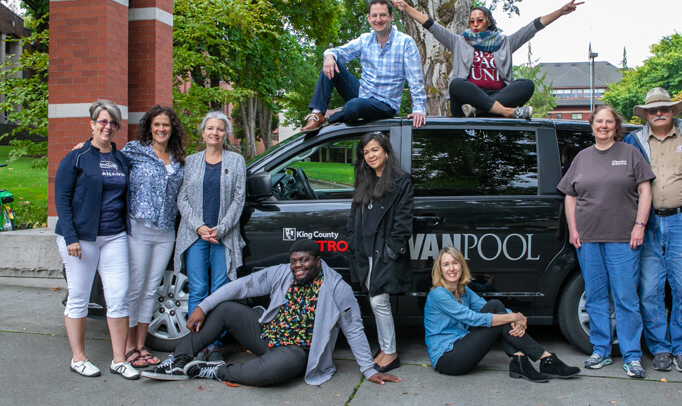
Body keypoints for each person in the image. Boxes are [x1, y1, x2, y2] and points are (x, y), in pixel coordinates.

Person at [142, 239, 402, 387]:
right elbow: (239, 287)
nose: (297, 266)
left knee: (267, 375)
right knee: (225, 309)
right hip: (266, 333)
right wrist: (202, 306)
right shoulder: (282, 273)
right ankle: (176, 361)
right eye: (294, 261)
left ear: (318, 262)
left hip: (295, 350)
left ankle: (207, 370)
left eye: (304, 261)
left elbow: (354, 328)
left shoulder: (337, 288)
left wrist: (368, 370)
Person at [622, 87, 682, 374]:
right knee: (649, 291)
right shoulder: (633, 141)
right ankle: (660, 348)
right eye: (653, 110)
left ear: (673, 111)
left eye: (664, 108)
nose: (659, 113)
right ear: (646, 114)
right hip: (647, 225)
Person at [558, 106, 654, 379]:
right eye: (599, 121)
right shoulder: (582, 158)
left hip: (624, 238)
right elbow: (570, 196)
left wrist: (640, 225)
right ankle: (600, 350)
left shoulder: (630, 153)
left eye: (608, 121)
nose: (603, 126)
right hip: (587, 238)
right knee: (596, 297)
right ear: (592, 125)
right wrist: (573, 229)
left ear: (616, 126)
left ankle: (632, 356)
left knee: (625, 298)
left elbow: (645, 190)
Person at [388, 0, 582, 118]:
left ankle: (482, 110)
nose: (475, 24)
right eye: (471, 21)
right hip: (465, 103)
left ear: (488, 21)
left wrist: (560, 12)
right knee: (456, 84)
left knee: (527, 85)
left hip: (496, 96)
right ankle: (506, 112)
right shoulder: (459, 41)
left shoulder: (504, 42)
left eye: (479, 20)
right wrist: (407, 9)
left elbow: (532, 27)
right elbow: (431, 25)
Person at [55, 99, 139, 380]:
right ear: (92, 124)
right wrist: (71, 237)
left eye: (113, 122)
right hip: (81, 238)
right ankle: (78, 358)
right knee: (78, 297)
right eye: (103, 121)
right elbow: (62, 199)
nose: (108, 126)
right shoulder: (77, 157)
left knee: (118, 297)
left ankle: (119, 360)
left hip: (114, 236)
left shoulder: (121, 159)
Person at [424, 247, 580, 382]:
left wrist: (518, 317)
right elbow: (473, 318)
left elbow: (488, 308)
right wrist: (513, 317)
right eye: (446, 264)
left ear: (461, 266)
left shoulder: (464, 291)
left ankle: (521, 359)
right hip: (447, 359)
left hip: (462, 347)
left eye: (455, 263)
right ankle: (545, 359)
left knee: (494, 305)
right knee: (496, 318)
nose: (451, 268)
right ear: (440, 270)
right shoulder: (439, 294)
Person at [173, 111, 247, 362]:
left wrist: (220, 229)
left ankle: (213, 346)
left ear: (226, 134)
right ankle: (197, 345)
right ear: (203, 132)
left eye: (220, 129)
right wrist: (199, 227)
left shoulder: (236, 161)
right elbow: (181, 198)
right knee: (198, 290)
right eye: (210, 128)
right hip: (195, 237)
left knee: (219, 291)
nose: (214, 133)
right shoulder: (190, 161)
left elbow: (239, 200)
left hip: (222, 237)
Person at [121, 105, 187, 368]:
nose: (161, 129)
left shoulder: (178, 158)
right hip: (139, 228)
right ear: (149, 126)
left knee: (151, 290)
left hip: (165, 231)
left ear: (173, 129)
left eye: (166, 125)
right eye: (157, 124)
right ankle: (126, 346)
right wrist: (83, 148)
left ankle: (141, 345)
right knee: (135, 288)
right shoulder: (134, 151)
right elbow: (107, 164)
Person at [300, 0, 427, 132]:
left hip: (385, 104)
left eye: (383, 15)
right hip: (362, 94)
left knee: (354, 106)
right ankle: (317, 113)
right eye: (374, 16)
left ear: (391, 17)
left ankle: (332, 116)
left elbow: (415, 80)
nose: (378, 20)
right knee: (332, 62)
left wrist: (418, 109)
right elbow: (337, 52)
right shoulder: (365, 39)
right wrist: (329, 56)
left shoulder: (405, 42)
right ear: (369, 19)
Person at [346, 131, 413, 373]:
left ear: (385, 151)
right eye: (365, 152)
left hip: (383, 253)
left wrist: (390, 253)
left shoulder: (401, 182)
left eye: (374, 150)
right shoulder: (364, 179)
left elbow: (403, 224)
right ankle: (385, 349)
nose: (370, 155)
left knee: (378, 300)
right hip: (364, 251)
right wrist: (352, 241)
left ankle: (391, 353)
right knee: (375, 302)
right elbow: (354, 216)